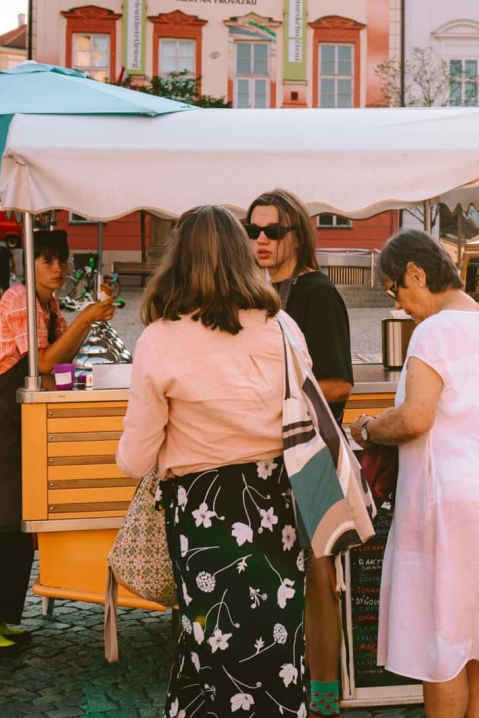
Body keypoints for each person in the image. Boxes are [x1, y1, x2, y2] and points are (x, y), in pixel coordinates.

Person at [118, 206, 308, 718]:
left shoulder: (160, 338)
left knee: (211, 644)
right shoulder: (282, 328)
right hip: (275, 504)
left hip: (203, 512)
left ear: (177, 260)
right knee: (276, 637)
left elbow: (135, 459)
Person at [349, 230, 479, 715]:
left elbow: (416, 417)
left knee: (445, 652)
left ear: (417, 272)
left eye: (395, 289)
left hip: (447, 514)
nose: (399, 304)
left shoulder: (434, 331)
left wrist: (370, 428)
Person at [0, 229, 116, 655]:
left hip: (20, 415)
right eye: (46, 260)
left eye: (62, 259)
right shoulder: (19, 299)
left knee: (25, 522)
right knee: (5, 520)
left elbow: (56, 364)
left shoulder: (48, 307)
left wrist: (88, 323)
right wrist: (85, 318)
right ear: (30, 264)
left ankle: (0, 617)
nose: (58, 267)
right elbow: (45, 361)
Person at [246, 189, 352, 718]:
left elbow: (336, 383)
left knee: (317, 578)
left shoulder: (315, 293)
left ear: (296, 235)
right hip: (269, 454)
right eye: (253, 230)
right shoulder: (258, 292)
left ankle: (325, 699)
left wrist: (280, 396)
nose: (261, 240)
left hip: (310, 456)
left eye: (273, 231)